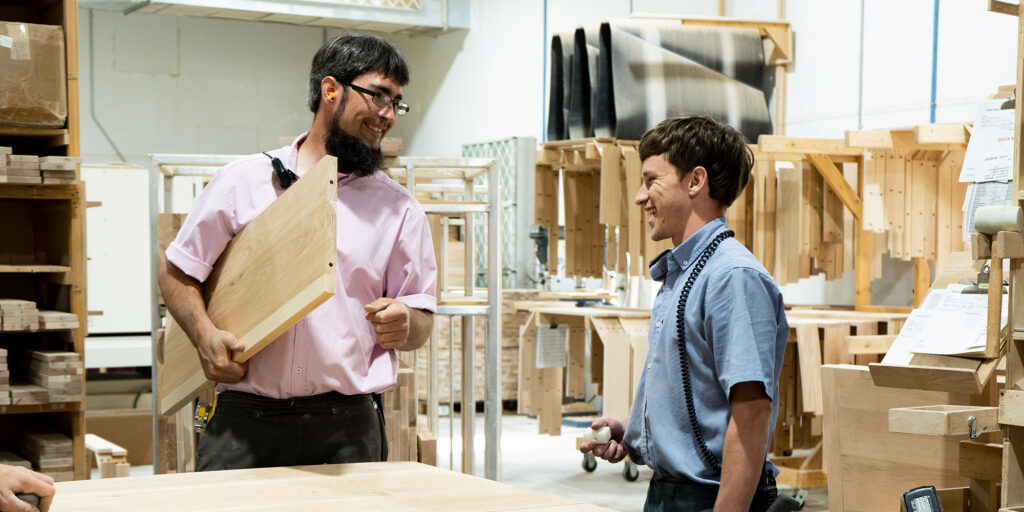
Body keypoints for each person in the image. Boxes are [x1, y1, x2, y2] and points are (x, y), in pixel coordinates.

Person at [157, 34, 437, 471]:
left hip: (347, 428)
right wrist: (203, 334)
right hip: (243, 425)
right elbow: (178, 273)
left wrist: (407, 321)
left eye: (396, 103)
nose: (388, 115)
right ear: (331, 90)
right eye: (379, 96)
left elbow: (421, 323)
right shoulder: (242, 183)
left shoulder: (399, 210)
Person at [580, 115, 788, 512]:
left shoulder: (731, 277)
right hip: (671, 493)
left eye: (651, 180)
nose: (640, 197)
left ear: (695, 181)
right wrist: (637, 437)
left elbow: (752, 411)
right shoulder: (684, 273)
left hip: (710, 499)